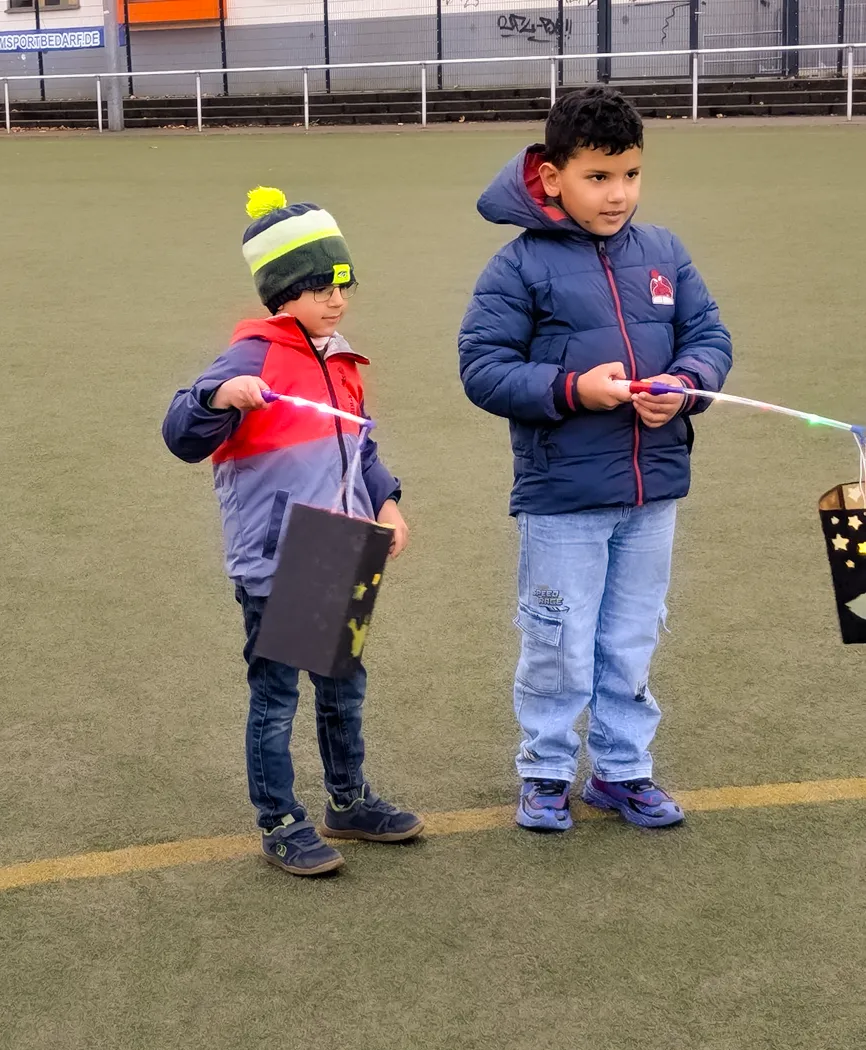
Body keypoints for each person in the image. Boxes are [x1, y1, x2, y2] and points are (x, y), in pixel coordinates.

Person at [458, 88, 732, 831]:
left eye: (631, 175)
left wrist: (687, 384)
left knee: (631, 636)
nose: (618, 195)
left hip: (653, 490)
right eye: (599, 177)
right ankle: (546, 771)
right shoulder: (518, 267)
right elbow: (483, 370)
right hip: (563, 497)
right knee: (558, 639)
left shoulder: (664, 253)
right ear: (552, 177)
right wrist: (573, 389)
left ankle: (622, 769)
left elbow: (710, 337)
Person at [163, 188, 422, 876]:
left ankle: (349, 801)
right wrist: (218, 397)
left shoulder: (340, 360)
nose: (336, 300)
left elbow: (359, 446)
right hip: (278, 557)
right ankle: (280, 820)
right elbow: (181, 433)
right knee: (276, 698)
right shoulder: (250, 358)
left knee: (343, 685)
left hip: (339, 549)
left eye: (342, 285)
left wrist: (386, 502)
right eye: (318, 288)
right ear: (283, 293)